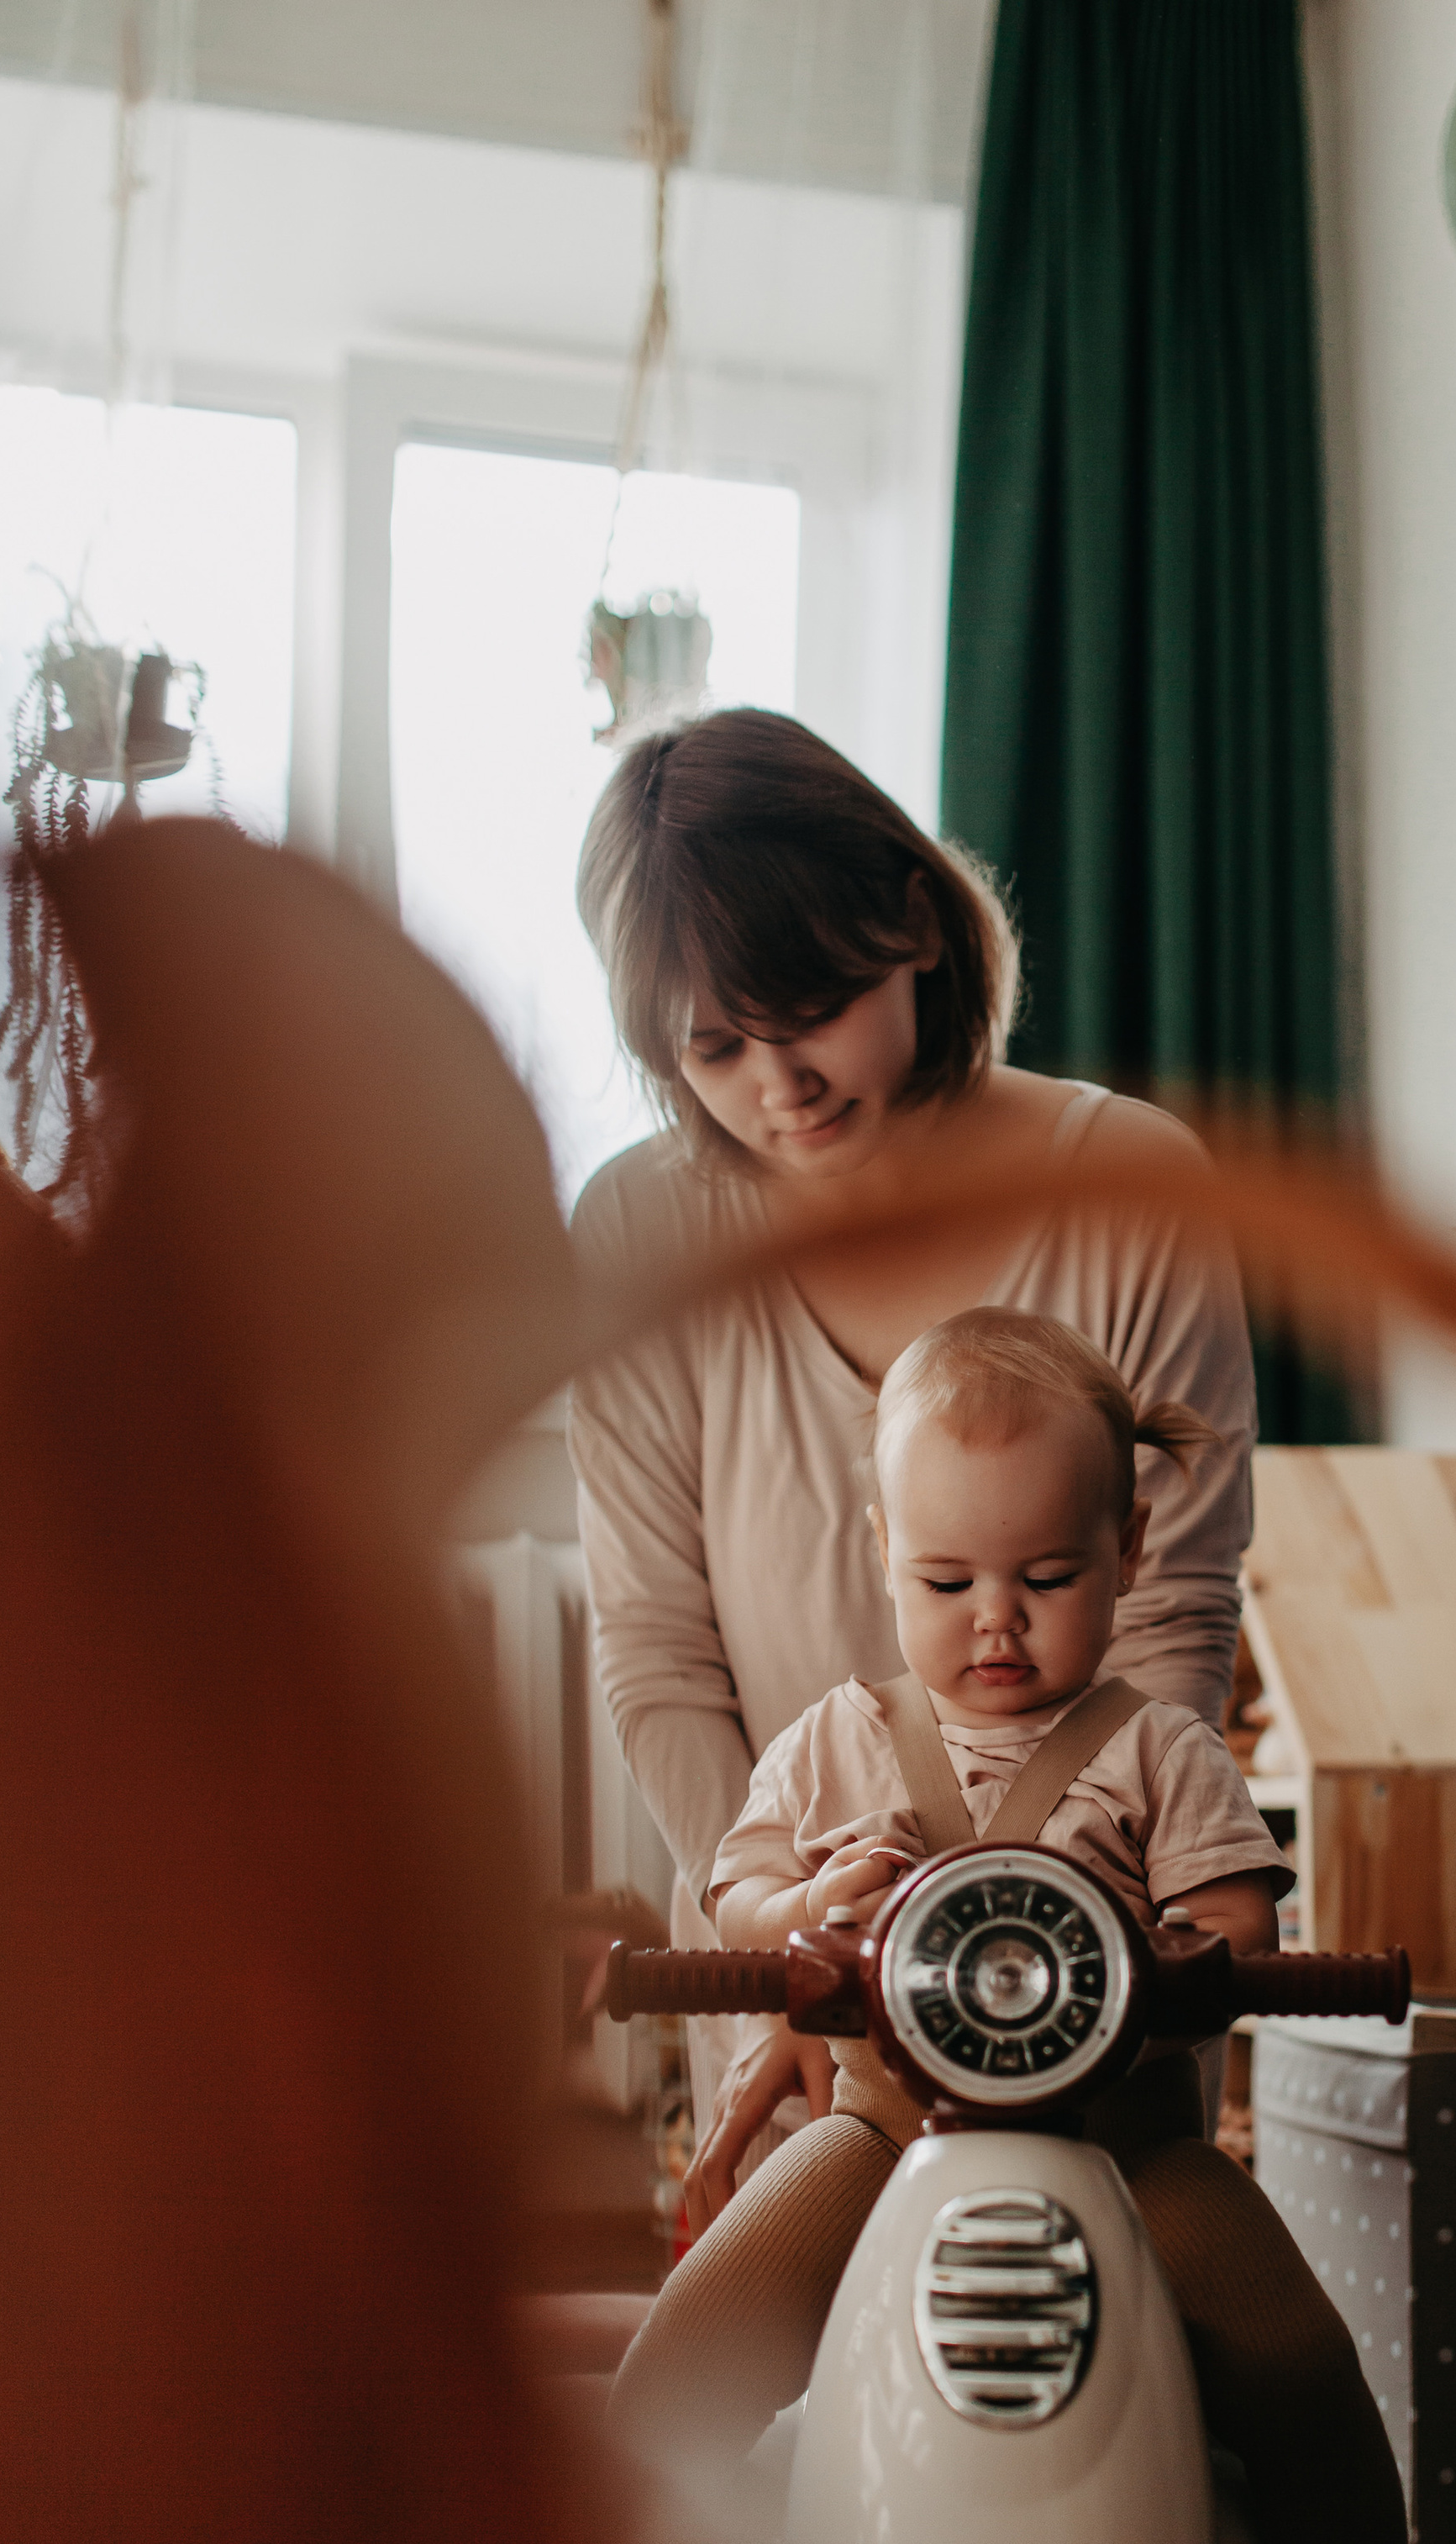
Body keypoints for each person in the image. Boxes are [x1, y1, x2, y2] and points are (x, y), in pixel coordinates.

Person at [606, 1309, 1409, 2544]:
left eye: (1047, 1576)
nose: (996, 1617)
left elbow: (1241, 1922)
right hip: (882, 2134)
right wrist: (807, 1909)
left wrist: (1173, 1945)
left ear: (1128, 1552)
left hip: (1131, 2148)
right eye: (946, 1578)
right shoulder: (838, 1741)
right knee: (693, 2345)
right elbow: (735, 1897)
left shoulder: (1162, 1753)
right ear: (882, 1553)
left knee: (1296, 2355)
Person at [569, 709, 1257, 2228]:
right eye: (713, 1047)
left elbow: (1172, 1622)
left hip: (1080, 1976)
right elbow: (660, 1658)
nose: (779, 1084)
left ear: (915, 927)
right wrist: (789, 1954)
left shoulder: (1134, 1184)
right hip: (798, 1976)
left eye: (810, 1008)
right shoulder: (639, 1234)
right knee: (786, 2346)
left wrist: (1064, 1947)